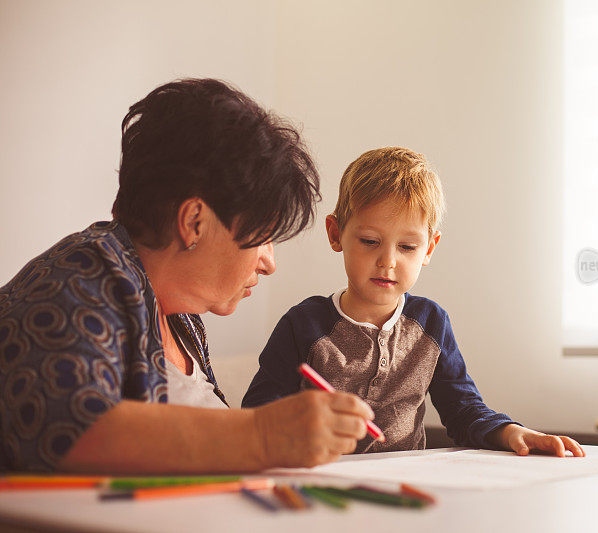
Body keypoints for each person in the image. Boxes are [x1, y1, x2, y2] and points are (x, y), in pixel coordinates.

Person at [0, 78, 375, 473]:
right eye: (263, 237)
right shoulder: (74, 282)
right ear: (194, 221)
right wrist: (264, 434)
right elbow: (67, 430)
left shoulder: (181, 317)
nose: (269, 262)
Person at [241, 147, 585, 457]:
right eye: (369, 241)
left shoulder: (431, 322)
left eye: (407, 247)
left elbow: (463, 410)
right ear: (336, 234)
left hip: (404, 490)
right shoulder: (304, 325)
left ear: (429, 249)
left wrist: (511, 433)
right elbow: (257, 417)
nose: (388, 261)